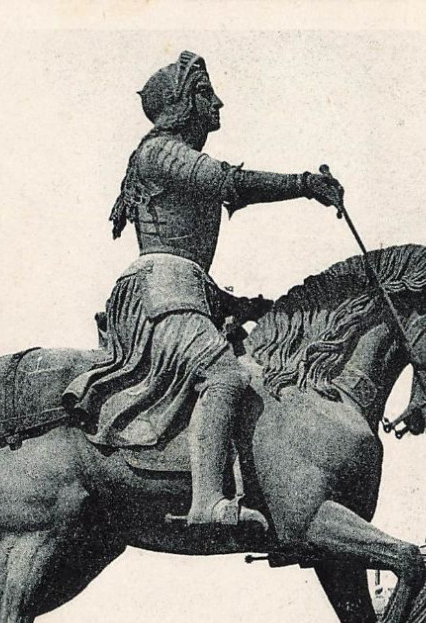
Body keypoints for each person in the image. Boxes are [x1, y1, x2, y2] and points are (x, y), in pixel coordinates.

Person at [62, 51, 344, 528]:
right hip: (161, 293)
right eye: (205, 94)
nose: (218, 103)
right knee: (224, 376)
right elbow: (228, 183)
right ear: (182, 104)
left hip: (186, 290)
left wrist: (244, 305)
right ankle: (207, 501)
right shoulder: (161, 151)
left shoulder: (170, 153)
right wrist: (303, 184)